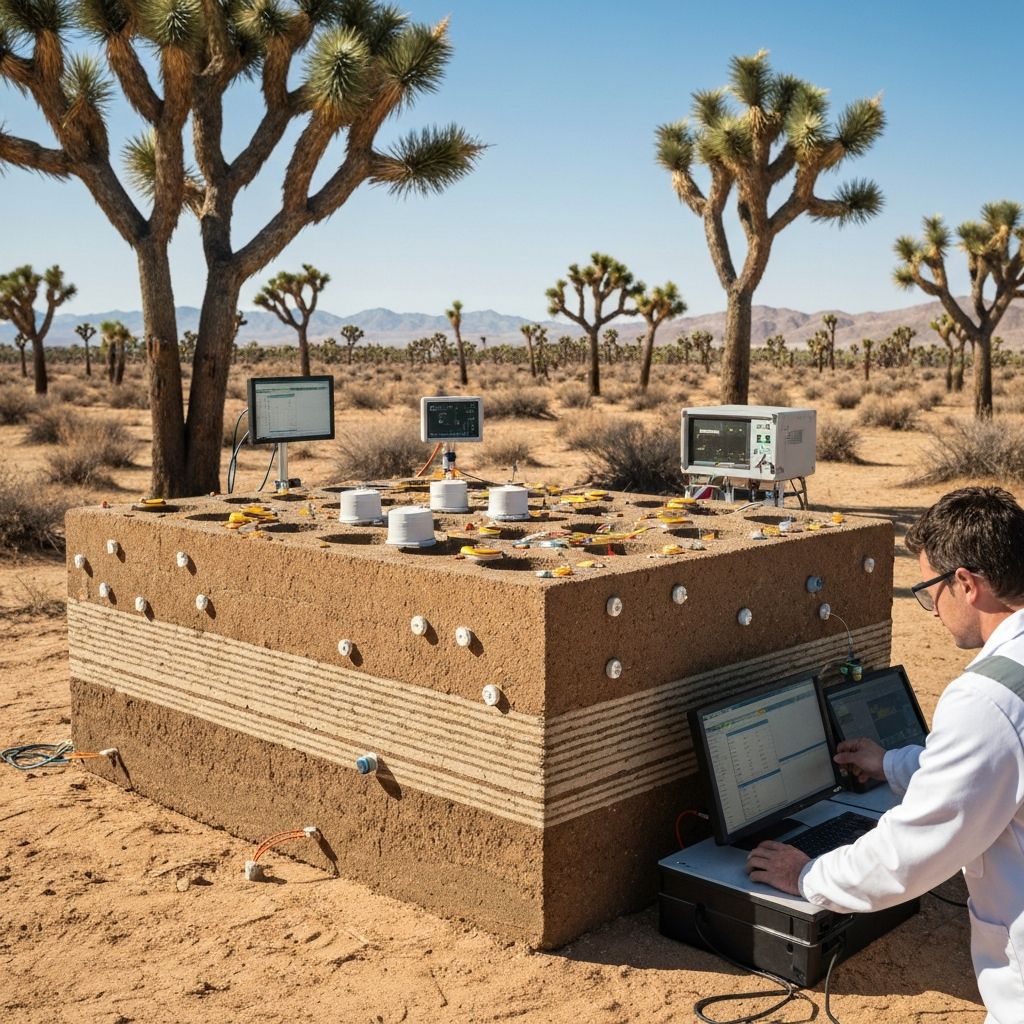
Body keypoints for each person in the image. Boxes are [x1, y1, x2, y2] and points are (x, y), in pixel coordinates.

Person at [745, 486, 1024, 1024]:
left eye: (930, 591)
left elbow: (908, 856)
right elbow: (999, 767)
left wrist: (808, 877)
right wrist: (895, 764)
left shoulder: (989, 697)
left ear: (965, 584)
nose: (931, 610)